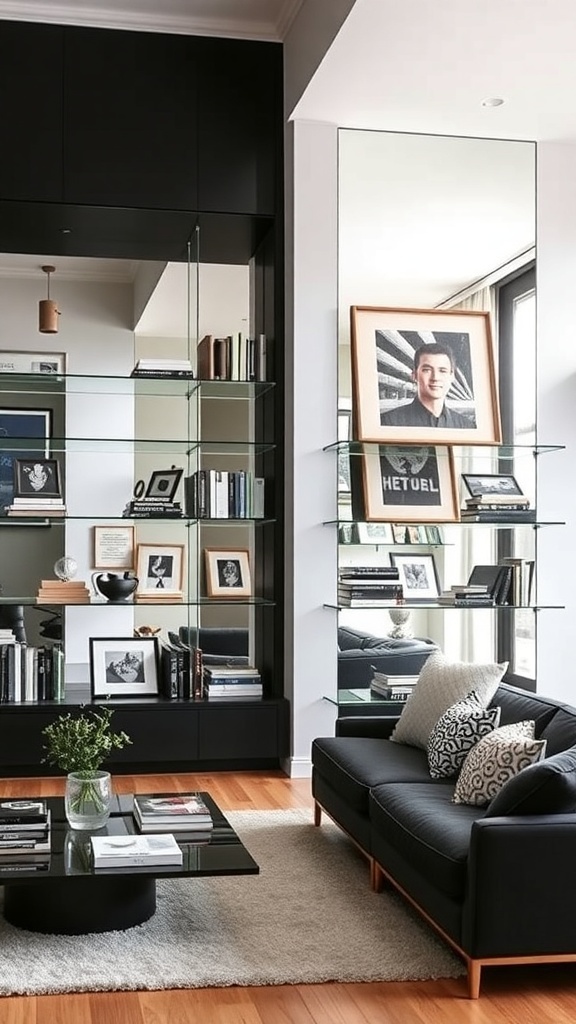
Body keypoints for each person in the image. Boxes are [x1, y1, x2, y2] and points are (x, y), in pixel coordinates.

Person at [380, 343, 475, 429]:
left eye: (442, 371)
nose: (435, 378)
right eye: (427, 370)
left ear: (452, 376)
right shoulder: (388, 422)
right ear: (414, 375)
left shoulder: (467, 426)